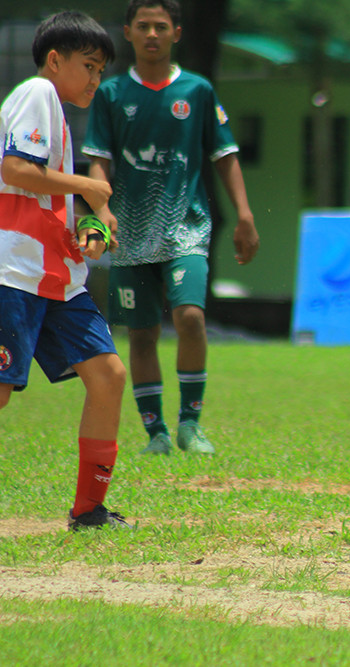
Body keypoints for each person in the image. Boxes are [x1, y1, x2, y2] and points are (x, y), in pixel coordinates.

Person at [83, 0, 260, 455]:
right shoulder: (112, 94)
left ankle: (190, 424)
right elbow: (98, 161)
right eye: (143, 26)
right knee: (141, 334)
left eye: (161, 26)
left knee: (191, 319)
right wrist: (101, 212)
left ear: (176, 33)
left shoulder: (197, 91)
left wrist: (244, 214)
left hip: (187, 228)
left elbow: (224, 156)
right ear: (128, 32)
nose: (152, 34)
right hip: (130, 233)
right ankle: (155, 433)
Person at [0, 11, 132, 530]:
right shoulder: (38, 92)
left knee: (107, 375)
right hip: (14, 271)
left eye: (101, 71)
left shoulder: (56, 111)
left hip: (55, 277)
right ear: (55, 61)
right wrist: (87, 187)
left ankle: (89, 511)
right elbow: (13, 169)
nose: (96, 80)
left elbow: (36, 190)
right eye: (89, 66)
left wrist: (86, 230)